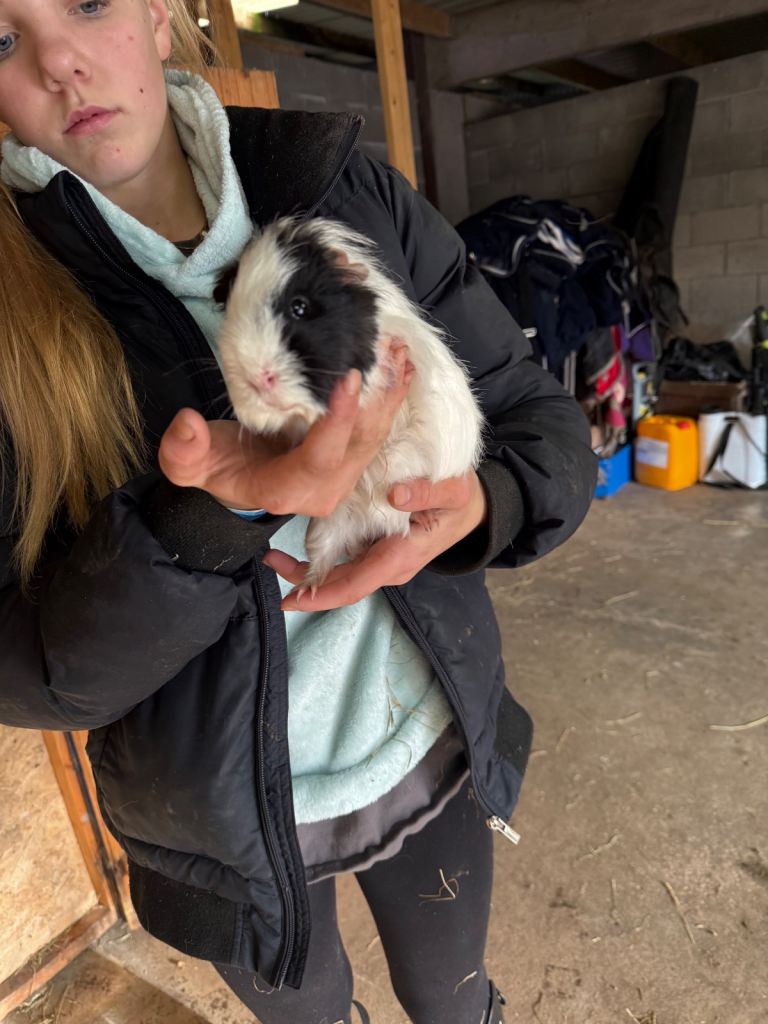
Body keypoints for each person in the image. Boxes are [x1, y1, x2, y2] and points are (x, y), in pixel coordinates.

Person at [0, 2, 596, 1022]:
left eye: (87, 0)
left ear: (156, 14)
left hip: (424, 737)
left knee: (453, 997)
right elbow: (30, 668)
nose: (60, 60)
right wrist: (202, 523)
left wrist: (484, 502)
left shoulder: (345, 184)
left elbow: (536, 419)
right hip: (216, 822)